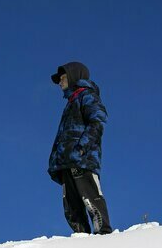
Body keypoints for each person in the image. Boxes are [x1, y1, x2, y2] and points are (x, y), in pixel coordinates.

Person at [48, 61, 113, 235]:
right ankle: (81, 238)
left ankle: (104, 235)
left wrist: (82, 148)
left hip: (82, 159)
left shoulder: (87, 96)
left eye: (62, 78)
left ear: (73, 76)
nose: (60, 82)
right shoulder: (70, 102)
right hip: (66, 162)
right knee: (71, 206)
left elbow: (98, 121)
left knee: (90, 198)